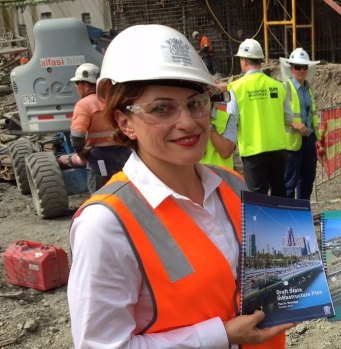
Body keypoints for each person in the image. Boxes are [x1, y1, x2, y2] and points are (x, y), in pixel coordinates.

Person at [67, 24, 297, 348]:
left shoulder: (234, 186)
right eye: (161, 108)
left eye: (194, 103)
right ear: (124, 122)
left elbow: (277, 274)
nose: (188, 122)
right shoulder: (105, 225)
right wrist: (222, 336)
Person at [226, 38, 307, 197]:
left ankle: (263, 223)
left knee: (258, 198)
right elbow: (288, 117)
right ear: (260, 61)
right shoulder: (277, 86)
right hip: (278, 150)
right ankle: (282, 222)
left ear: (243, 61)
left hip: (253, 152)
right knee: (279, 193)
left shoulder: (236, 87)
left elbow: (231, 120)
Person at [68, 63, 131, 193]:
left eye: (77, 84)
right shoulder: (115, 100)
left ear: (85, 85)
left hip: (99, 159)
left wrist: (82, 154)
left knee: (101, 196)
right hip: (125, 155)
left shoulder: (84, 105)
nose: (76, 88)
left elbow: (76, 138)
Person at [282, 47, 321, 200]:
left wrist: (317, 136)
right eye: (298, 67)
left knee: (307, 180)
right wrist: (295, 124)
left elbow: (313, 113)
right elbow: (278, 113)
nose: (302, 70)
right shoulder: (285, 87)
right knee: (289, 182)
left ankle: (303, 212)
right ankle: (289, 216)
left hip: (309, 140)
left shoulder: (308, 87)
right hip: (292, 144)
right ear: (291, 68)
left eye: (305, 67)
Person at [200, 92, 236, 169]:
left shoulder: (227, 118)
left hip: (221, 176)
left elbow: (226, 152)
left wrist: (208, 122)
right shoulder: (187, 120)